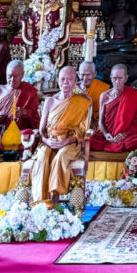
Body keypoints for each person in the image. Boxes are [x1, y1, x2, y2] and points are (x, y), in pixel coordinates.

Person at [31, 66, 92, 203]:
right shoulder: (50, 101)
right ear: (58, 80)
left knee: (61, 156)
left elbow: (83, 130)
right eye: (62, 79)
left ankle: (54, 196)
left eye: (69, 79)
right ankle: (40, 201)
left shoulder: (82, 102)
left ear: (75, 81)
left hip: (69, 143)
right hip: (49, 141)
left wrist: (66, 141)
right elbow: (41, 130)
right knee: (42, 157)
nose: (65, 83)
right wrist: (47, 141)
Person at [95, 64, 137, 153]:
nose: (117, 81)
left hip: (125, 137)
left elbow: (136, 122)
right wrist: (106, 134)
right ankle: (115, 145)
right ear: (111, 78)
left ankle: (114, 145)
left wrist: (125, 134)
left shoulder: (134, 95)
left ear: (125, 79)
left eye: (120, 78)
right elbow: (100, 122)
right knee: (89, 139)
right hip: (108, 136)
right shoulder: (104, 96)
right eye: (114, 78)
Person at [0, 60, 40, 148]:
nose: (12, 80)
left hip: (19, 131)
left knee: (28, 137)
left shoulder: (30, 92)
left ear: (22, 75)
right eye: (9, 76)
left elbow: (36, 119)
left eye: (16, 76)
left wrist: (25, 112)